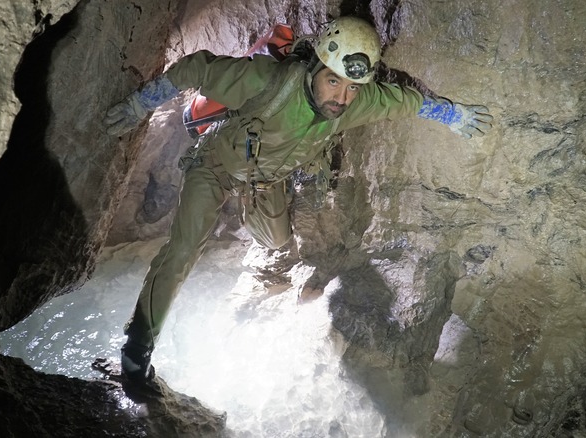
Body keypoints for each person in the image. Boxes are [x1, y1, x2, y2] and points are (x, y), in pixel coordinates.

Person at [103, 16, 493, 394]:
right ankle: (137, 348)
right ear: (316, 68)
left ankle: (245, 214)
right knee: (184, 250)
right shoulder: (264, 81)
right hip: (217, 167)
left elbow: (404, 102)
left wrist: (452, 115)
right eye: (334, 81)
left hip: (263, 180)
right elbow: (195, 67)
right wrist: (141, 104)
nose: (341, 98)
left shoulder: (356, 103)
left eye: (353, 87)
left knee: (274, 243)